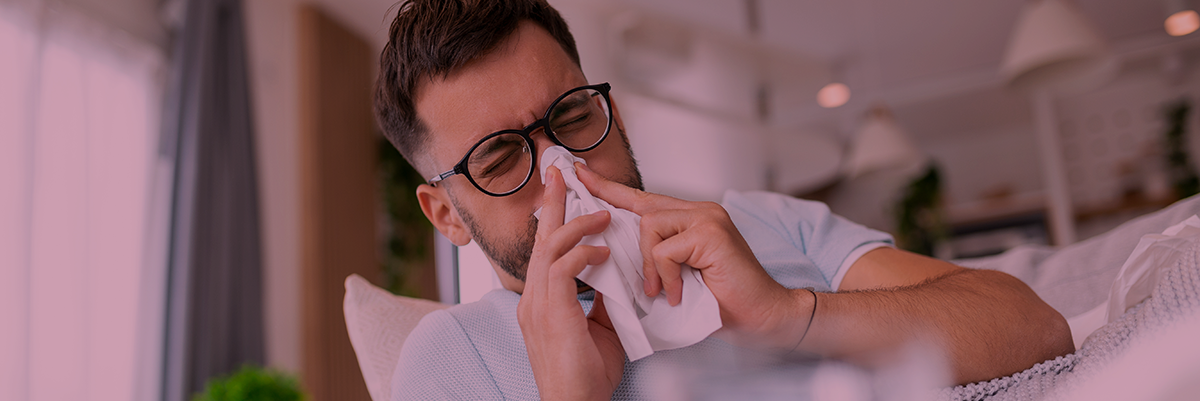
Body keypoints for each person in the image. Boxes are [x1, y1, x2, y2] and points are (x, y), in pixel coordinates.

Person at [374, 0, 1074, 399]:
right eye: (500, 157)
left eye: (573, 115)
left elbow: (1035, 328)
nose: (563, 169)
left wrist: (785, 313)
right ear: (443, 214)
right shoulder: (453, 356)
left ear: (611, 112)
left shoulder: (763, 222)